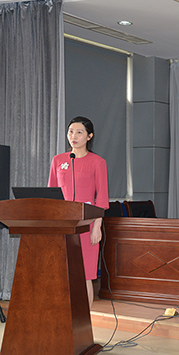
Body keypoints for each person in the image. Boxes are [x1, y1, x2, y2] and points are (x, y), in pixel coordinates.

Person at [48, 116, 109, 308]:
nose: (73, 136)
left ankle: (84, 320)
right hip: (62, 225)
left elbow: (102, 198)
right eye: (70, 132)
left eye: (79, 132)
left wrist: (97, 227)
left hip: (86, 224)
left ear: (89, 136)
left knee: (85, 274)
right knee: (61, 272)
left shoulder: (98, 162)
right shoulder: (58, 160)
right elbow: (51, 195)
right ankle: (63, 316)